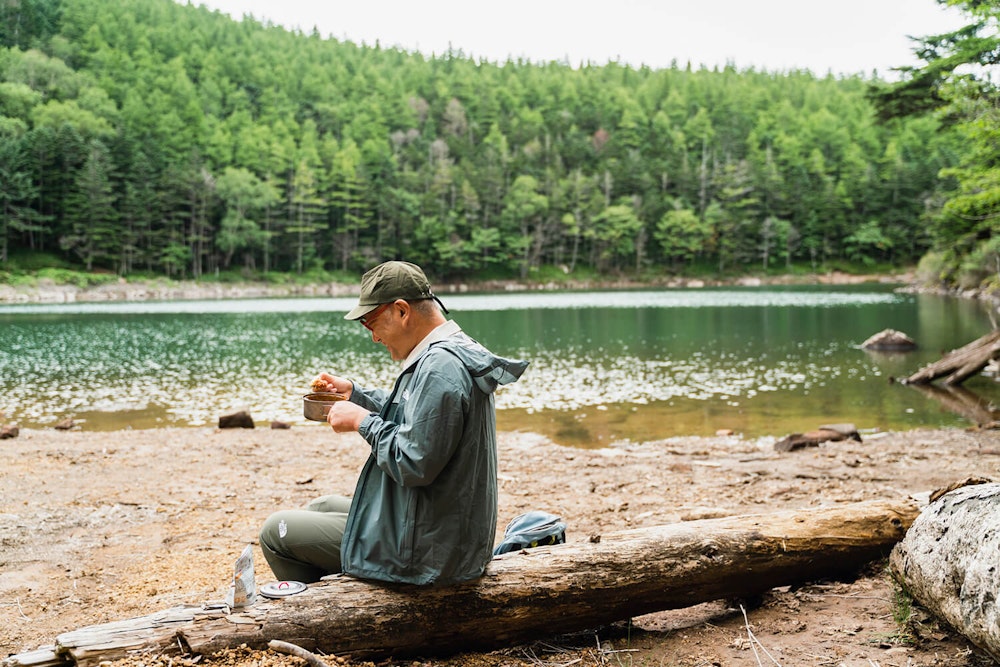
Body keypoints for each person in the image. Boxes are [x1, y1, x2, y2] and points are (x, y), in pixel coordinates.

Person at [259, 260, 528, 586]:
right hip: (448, 529)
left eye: (370, 322)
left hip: (432, 552)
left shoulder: (440, 367)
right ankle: (349, 589)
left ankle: (341, 621)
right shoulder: (450, 350)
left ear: (402, 311)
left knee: (277, 530)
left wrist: (363, 422)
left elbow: (413, 463)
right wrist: (356, 394)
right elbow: (422, 413)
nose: (373, 337)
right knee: (321, 504)